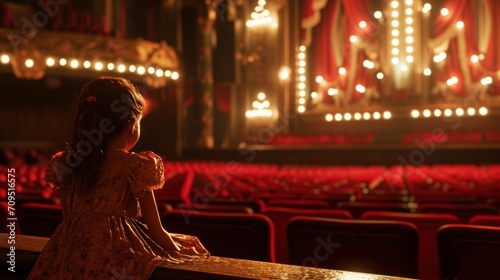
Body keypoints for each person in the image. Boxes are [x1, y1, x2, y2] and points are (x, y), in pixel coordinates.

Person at [27, 77, 209, 279]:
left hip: (70, 253)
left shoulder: (67, 164)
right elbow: (157, 232)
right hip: (115, 258)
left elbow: (68, 217)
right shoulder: (134, 166)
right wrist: (184, 257)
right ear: (132, 125)